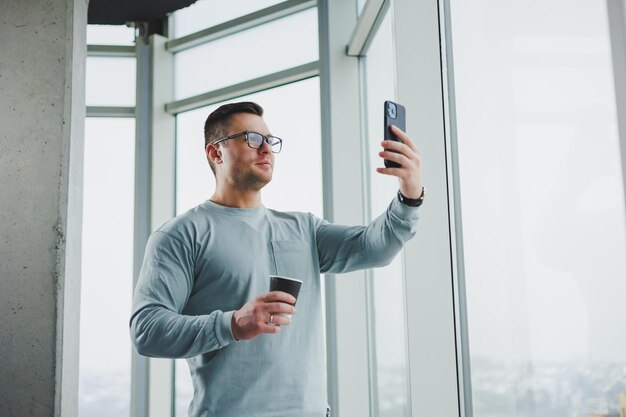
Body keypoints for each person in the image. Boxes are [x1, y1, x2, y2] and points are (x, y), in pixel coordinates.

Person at [130, 101, 424, 417]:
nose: (266, 149)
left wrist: (410, 194)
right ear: (216, 153)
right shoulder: (180, 235)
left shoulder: (303, 229)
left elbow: (374, 247)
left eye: (270, 141)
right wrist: (232, 323)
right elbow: (147, 330)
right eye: (252, 139)